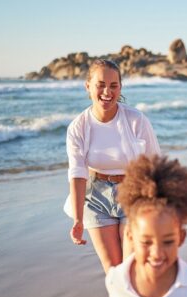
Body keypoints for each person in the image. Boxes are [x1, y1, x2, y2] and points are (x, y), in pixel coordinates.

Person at [92, 155, 187, 297]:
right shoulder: (118, 278)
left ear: (181, 237)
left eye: (168, 241)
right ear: (129, 236)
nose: (157, 253)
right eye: (146, 242)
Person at [65, 59, 160, 273]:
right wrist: (78, 220)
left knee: (131, 266)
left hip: (134, 193)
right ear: (87, 86)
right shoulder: (78, 127)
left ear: (120, 88)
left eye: (113, 85)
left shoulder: (136, 120)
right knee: (113, 270)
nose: (107, 91)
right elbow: (78, 174)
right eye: (100, 84)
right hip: (96, 197)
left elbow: (155, 164)